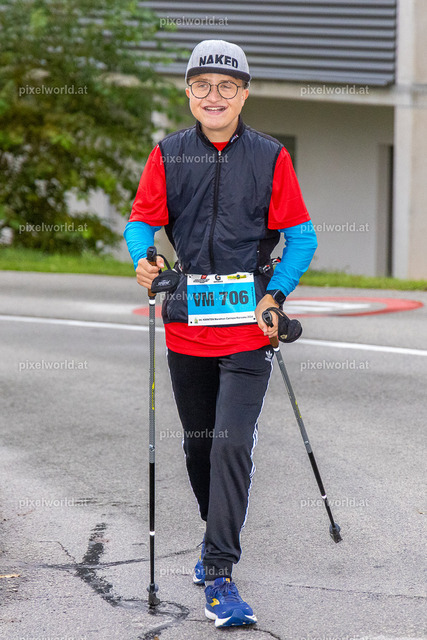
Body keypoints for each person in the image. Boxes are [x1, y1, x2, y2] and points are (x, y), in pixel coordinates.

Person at [124, 39, 318, 628]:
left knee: (232, 442)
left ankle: (219, 572)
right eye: (202, 86)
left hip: (248, 331)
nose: (214, 96)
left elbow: (301, 237)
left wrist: (274, 295)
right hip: (187, 326)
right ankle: (216, 535)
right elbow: (141, 223)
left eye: (227, 86)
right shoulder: (168, 154)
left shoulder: (270, 157)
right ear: (188, 94)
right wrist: (146, 260)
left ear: (244, 94)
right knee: (200, 446)